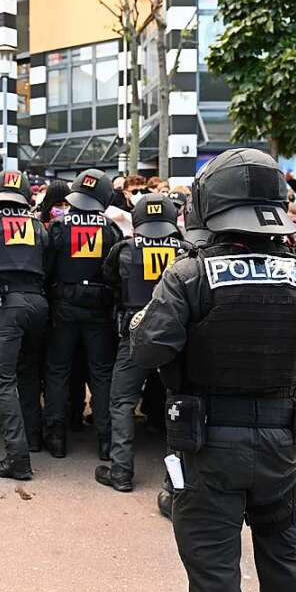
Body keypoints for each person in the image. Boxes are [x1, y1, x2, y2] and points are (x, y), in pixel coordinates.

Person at [130, 148, 296, 592]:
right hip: (282, 444)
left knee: (215, 574)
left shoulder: (190, 274)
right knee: (287, 561)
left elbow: (148, 349)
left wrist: (140, 321)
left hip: (207, 445)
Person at [97, 192, 186, 491]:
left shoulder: (123, 250)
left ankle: (121, 472)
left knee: (121, 401)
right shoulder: (186, 251)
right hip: (176, 336)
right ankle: (178, 480)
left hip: (135, 333)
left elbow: (109, 278)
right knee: (181, 402)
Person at [0, 170, 51, 479]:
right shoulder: (40, 228)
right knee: (28, 372)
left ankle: (17, 458)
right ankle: (32, 438)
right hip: (38, 305)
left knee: (2, 379)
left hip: (6, 305)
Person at [44, 169, 123, 459]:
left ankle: (56, 438)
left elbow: (47, 268)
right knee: (101, 374)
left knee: (57, 371)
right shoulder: (111, 229)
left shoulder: (57, 226)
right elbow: (115, 273)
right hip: (98, 308)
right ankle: (106, 442)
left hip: (63, 305)